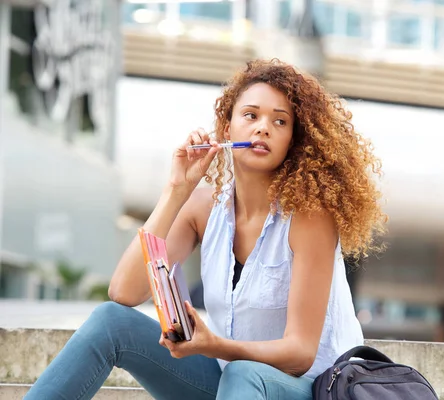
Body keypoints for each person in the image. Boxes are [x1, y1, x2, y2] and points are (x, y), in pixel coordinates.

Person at [25, 59, 387, 400]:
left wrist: (214, 345)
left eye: (280, 122)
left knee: (243, 373)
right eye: (251, 115)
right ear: (227, 129)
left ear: (293, 140)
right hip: (230, 383)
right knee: (110, 322)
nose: (263, 126)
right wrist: (175, 192)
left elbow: (300, 353)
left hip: (309, 389)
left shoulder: (310, 217)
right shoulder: (202, 208)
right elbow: (125, 291)